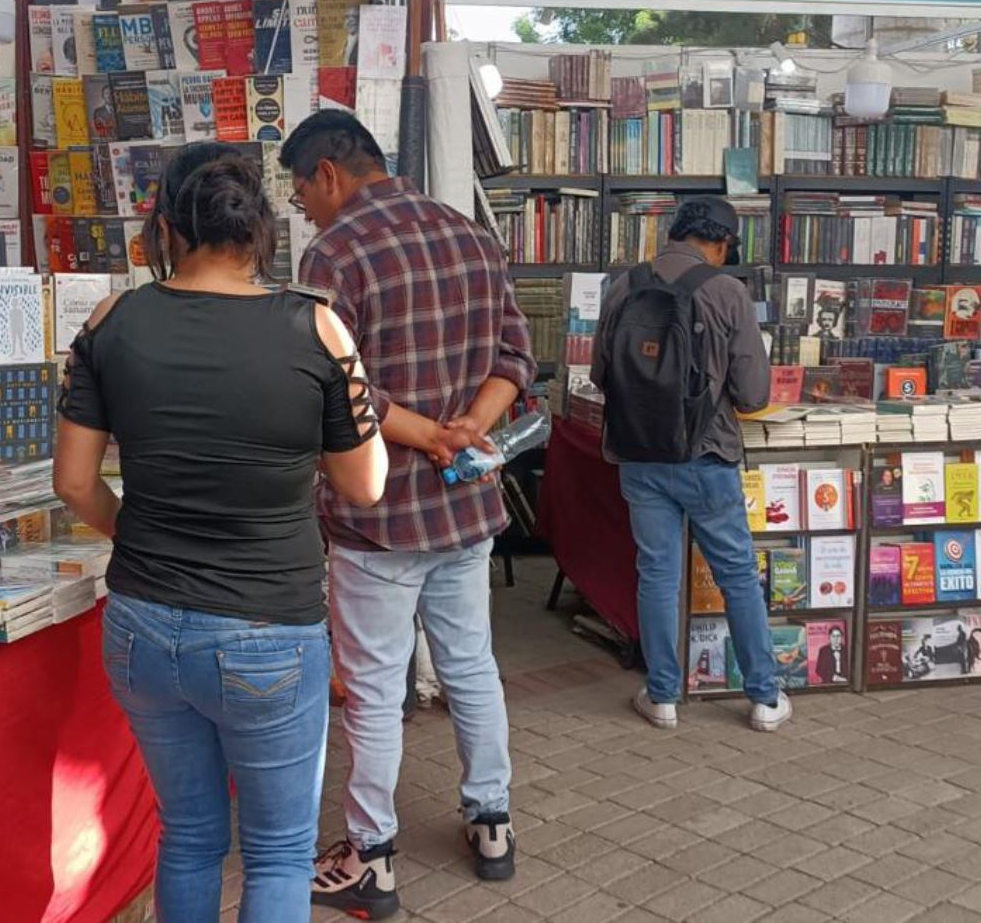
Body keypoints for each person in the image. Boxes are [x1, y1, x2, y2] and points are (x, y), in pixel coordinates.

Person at [54, 142, 388, 922]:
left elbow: (73, 483)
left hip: (140, 625)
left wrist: (135, 533)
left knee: (189, 833)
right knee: (276, 852)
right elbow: (365, 484)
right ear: (263, 227)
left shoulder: (113, 320)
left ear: (167, 225)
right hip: (269, 628)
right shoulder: (318, 329)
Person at [281, 111, 535, 920]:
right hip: (465, 503)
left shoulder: (334, 252)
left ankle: (373, 856)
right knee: (472, 671)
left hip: (378, 516)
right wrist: (468, 431)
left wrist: (426, 435)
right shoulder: (467, 233)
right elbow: (514, 357)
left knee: (375, 690)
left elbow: (333, 382)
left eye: (300, 191)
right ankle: (491, 825)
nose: (303, 210)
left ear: (328, 173)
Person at [592, 197, 791, 731]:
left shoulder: (622, 286)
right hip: (707, 454)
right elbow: (752, 395)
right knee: (737, 575)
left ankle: (661, 697)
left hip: (638, 454)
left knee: (657, 573)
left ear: (675, 232)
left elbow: (598, 373)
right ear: (724, 243)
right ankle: (765, 699)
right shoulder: (728, 291)